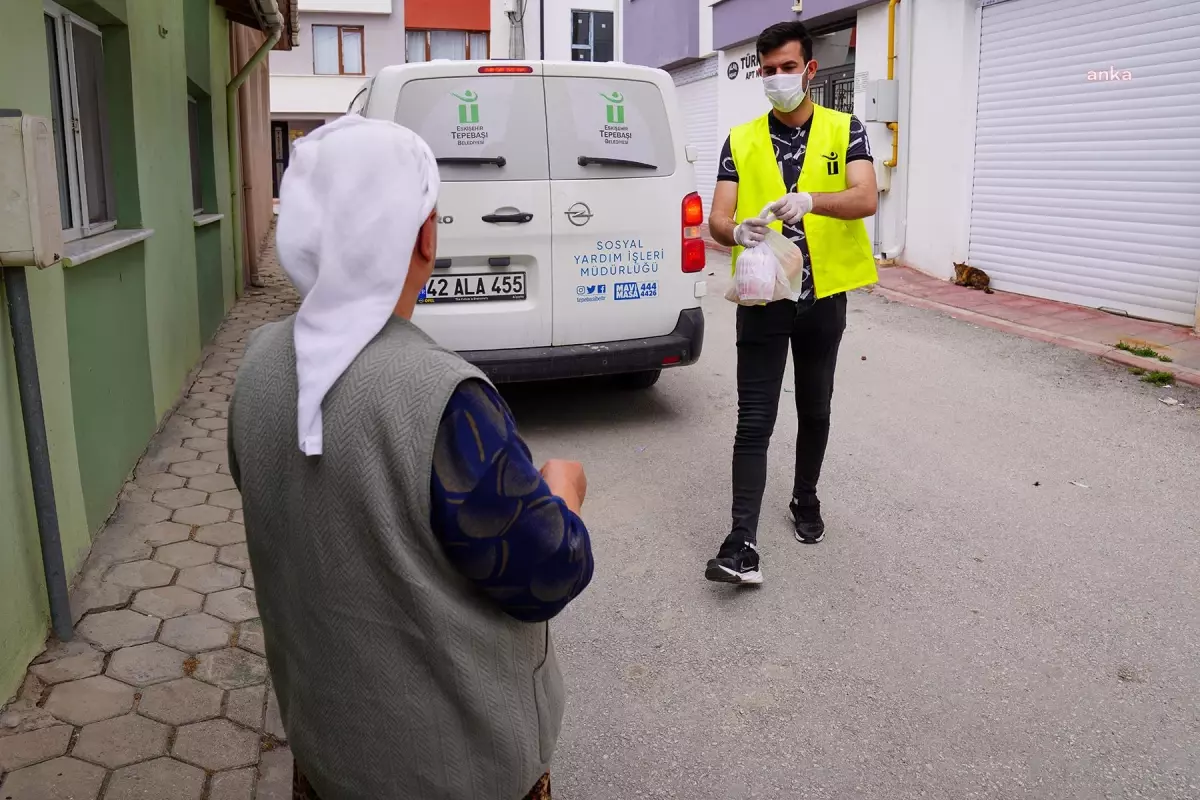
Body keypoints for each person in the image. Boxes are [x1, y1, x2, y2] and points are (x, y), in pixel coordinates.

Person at [227, 114, 593, 800]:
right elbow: (547, 572)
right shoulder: (441, 396)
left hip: (328, 755)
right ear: (424, 237)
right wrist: (562, 489)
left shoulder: (257, 366)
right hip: (456, 773)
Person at [704, 21, 879, 586]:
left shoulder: (845, 128)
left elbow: (865, 196)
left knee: (815, 407)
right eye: (768, 69)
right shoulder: (740, 138)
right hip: (762, 292)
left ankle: (805, 497)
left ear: (809, 69)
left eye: (787, 67)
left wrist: (811, 199)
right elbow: (718, 218)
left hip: (822, 296)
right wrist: (738, 233)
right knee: (754, 418)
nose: (777, 78)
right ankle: (741, 541)